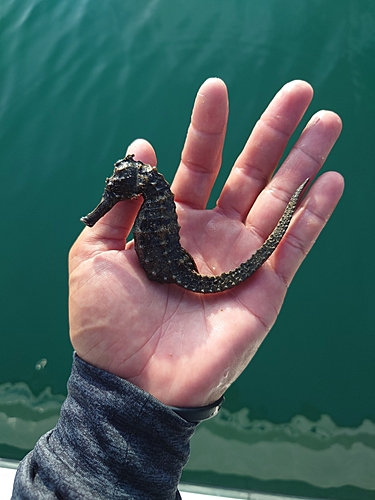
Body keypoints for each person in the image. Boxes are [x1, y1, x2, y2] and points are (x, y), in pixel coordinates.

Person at [12, 78, 344, 499]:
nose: (107, 204)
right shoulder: (154, 200)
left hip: (171, 264)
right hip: (171, 263)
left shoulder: (157, 204)